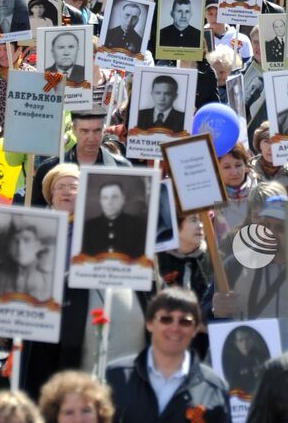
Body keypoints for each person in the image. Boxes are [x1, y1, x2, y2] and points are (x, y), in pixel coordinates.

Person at [106, 288, 231, 423]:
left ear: (195, 329)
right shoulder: (115, 377)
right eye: (166, 319)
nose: (175, 328)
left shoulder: (213, 387)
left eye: (184, 321)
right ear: (149, 323)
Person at [0, 216, 55, 299]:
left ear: (38, 245)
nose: (20, 247)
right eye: (15, 241)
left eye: (27, 240)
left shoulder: (49, 279)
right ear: (9, 246)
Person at [81, 178, 146, 258]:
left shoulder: (138, 225)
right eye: (105, 198)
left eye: (114, 197)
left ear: (123, 199)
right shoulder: (88, 227)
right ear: (100, 201)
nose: (109, 202)